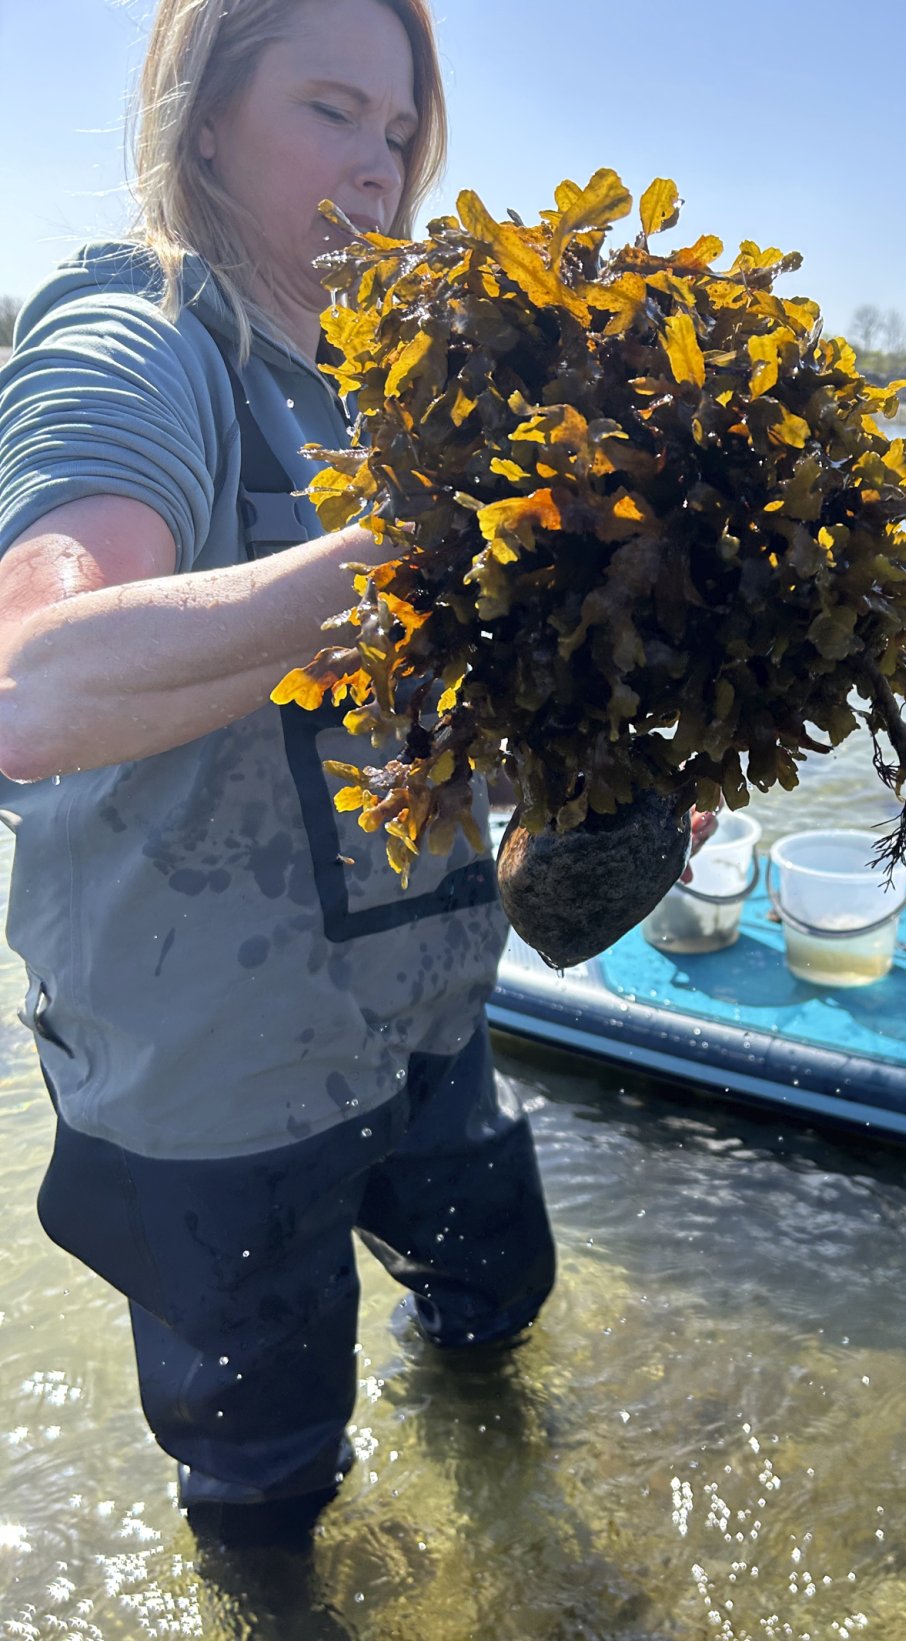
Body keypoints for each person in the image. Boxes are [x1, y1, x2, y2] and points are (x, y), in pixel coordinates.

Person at [0, 0, 555, 1545]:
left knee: (494, 1311)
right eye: (329, 108)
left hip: (423, 1017)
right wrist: (416, 543)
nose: (379, 170)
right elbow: (31, 684)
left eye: (397, 132)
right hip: (216, 1076)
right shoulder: (137, 335)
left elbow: (397, 703)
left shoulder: (384, 382)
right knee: (267, 1481)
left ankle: (519, 1560)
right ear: (199, 116)